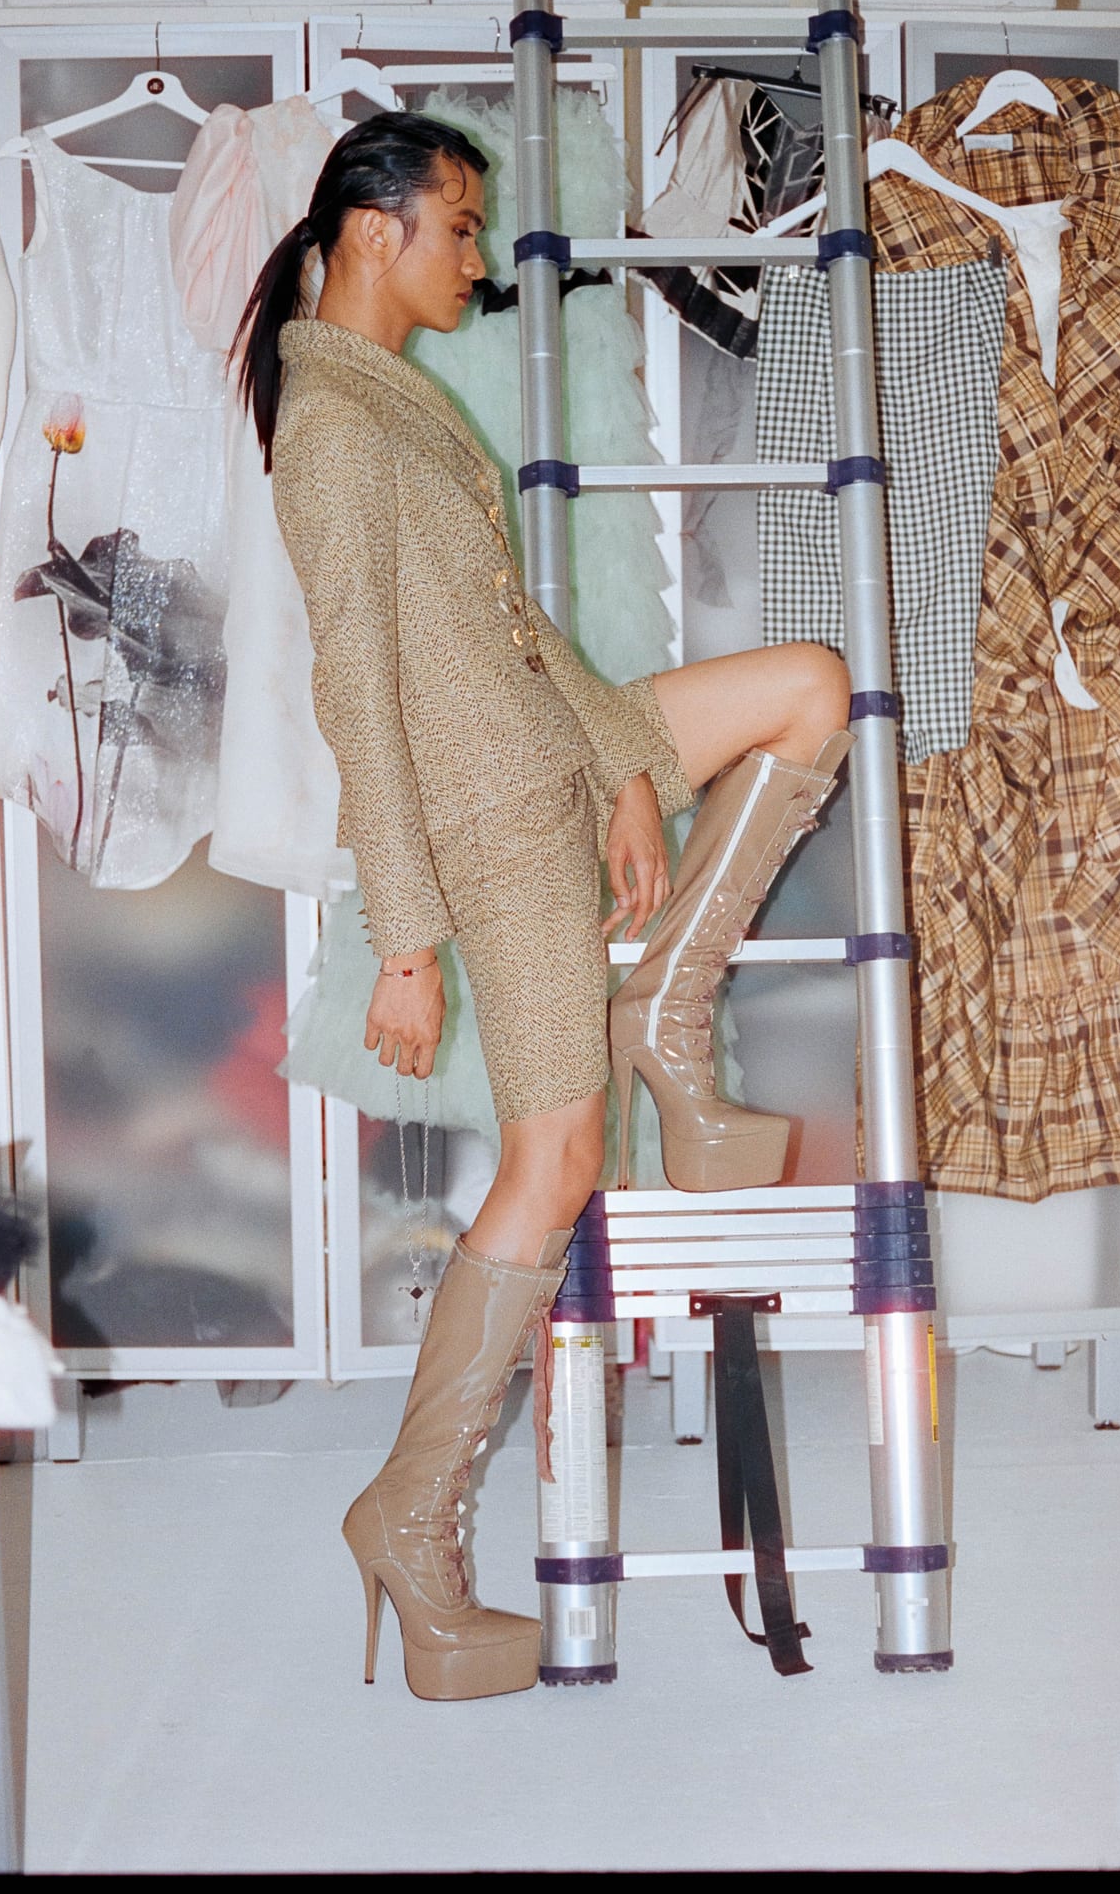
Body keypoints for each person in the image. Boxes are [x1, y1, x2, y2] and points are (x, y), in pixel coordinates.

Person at [234, 112, 852, 1702]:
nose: (474, 256)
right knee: (555, 1161)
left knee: (809, 688)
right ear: (372, 230)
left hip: (555, 756)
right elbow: (359, 696)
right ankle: (410, 1522)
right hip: (495, 826)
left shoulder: (388, 395)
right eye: (454, 227)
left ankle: (664, 1006)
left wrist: (626, 769)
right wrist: (406, 939)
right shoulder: (333, 427)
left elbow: (511, 629)